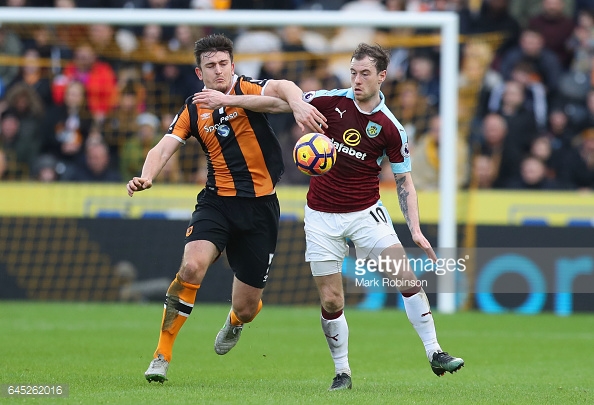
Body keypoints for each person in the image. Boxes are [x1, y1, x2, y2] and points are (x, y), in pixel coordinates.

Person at [200, 43, 464, 391]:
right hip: (322, 216)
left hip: (366, 213)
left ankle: (435, 352)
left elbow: (404, 182)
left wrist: (414, 228)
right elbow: (279, 103)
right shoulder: (329, 101)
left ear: (382, 77)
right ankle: (343, 372)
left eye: (365, 74)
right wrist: (231, 100)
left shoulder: (390, 127)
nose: (356, 80)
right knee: (331, 299)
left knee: (407, 278)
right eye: (353, 72)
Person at [128, 33, 326, 384]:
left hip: (261, 210)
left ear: (233, 66)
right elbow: (162, 147)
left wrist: (298, 105)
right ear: (198, 71)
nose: (218, 71)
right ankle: (161, 354)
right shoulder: (194, 107)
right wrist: (146, 176)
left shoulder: (246, 89)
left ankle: (235, 322)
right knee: (191, 266)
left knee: (247, 308)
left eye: (223, 64)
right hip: (217, 203)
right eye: (210, 66)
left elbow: (284, 87)